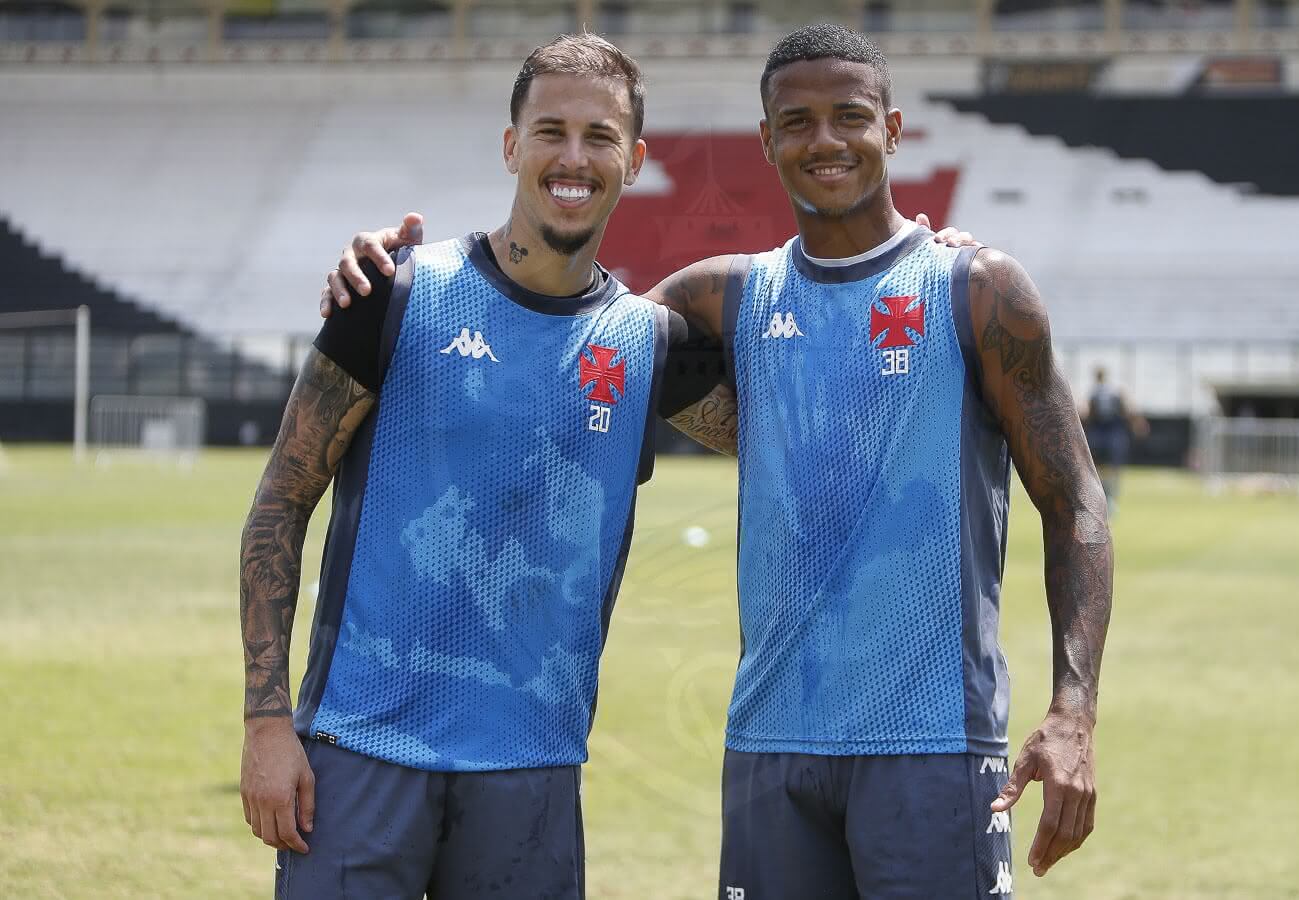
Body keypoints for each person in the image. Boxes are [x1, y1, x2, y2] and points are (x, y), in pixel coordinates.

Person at [323, 24, 1109, 899]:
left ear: (891, 132)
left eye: (850, 117)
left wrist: (1073, 710)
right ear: (765, 141)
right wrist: (381, 281)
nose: (826, 140)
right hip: (768, 749)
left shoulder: (977, 290)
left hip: (930, 745)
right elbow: (562, 326)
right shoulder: (723, 297)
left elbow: (1076, 502)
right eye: (798, 121)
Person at [238, 34, 736, 899]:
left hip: (531, 774)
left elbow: (797, 434)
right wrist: (266, 721)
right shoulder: (393, 296)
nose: (572, 158)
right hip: (361, 756)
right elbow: (280, 504)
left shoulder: (651, 345)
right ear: (512, 146)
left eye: (600, 136)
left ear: (636, 159)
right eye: (550, 131)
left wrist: (911, 253)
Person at [1082, 366, 1149, 510]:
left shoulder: (1098, 392)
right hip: (1110, 431)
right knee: (1111, 465)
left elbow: (1089, 414)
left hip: (1106, 430)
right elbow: (1127, 409)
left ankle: (1105, 495)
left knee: (1100, 464)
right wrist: (1136, 423)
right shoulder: (1111, 391)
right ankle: (1109, 495)